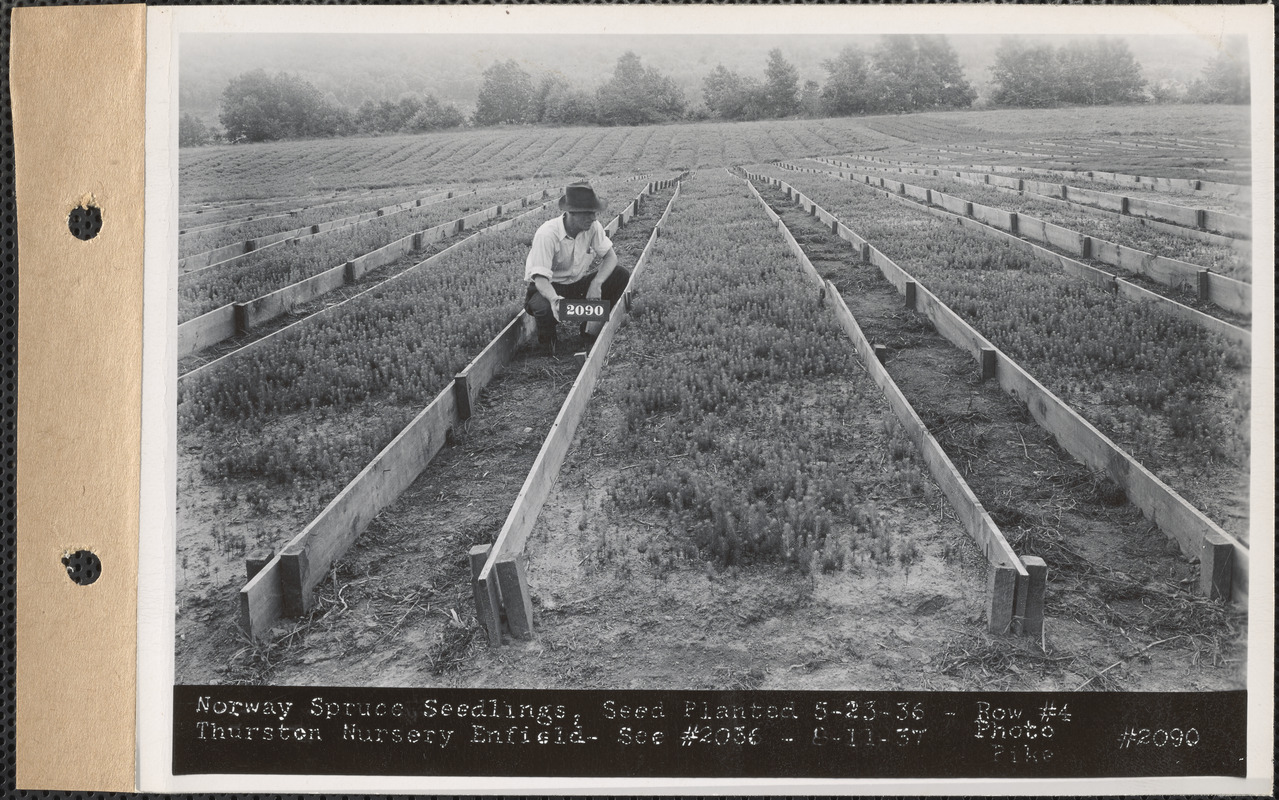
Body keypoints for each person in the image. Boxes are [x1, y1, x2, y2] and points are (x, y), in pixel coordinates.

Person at [524, 181, 630, 355]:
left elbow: (611, 257)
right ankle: (548, 345)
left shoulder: (592, 227)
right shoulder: (547, 234)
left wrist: (596, 283)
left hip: (577, 285)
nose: (594, 218)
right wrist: (554, 300)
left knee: (620, 274)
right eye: (588, 214)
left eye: (594, 212)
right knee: (544, 308)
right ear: (571, 213)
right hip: (548, 288)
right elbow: (540, 279)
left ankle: (589, 330)